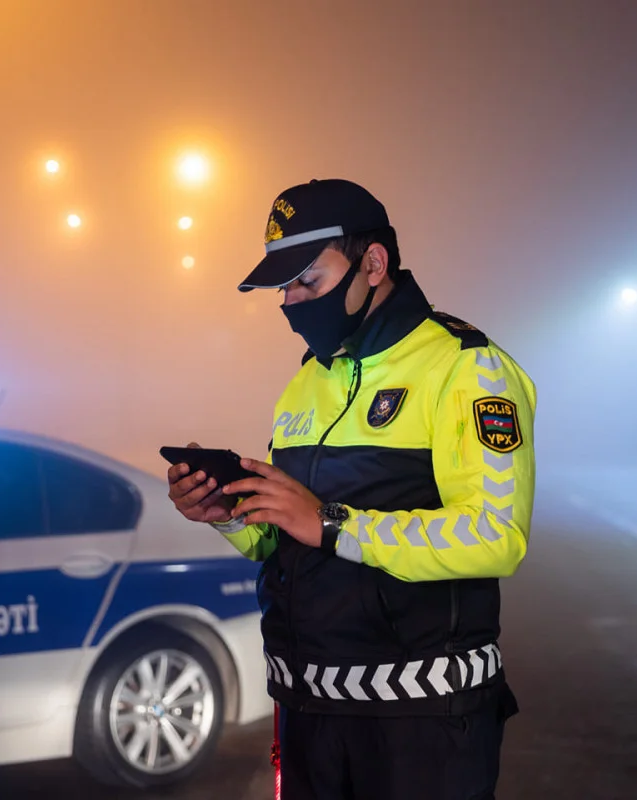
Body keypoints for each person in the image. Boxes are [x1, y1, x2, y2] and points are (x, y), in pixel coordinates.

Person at [167, 178, 537, 800]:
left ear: (373, 263)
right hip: (307, 704)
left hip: (422, 719)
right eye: (282, 288)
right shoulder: (310, 377)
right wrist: (228, 514)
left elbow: (495, 535)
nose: (290, 303)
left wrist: (336, 524)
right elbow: (283, 537)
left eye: (307, 281)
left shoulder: (467, 365)